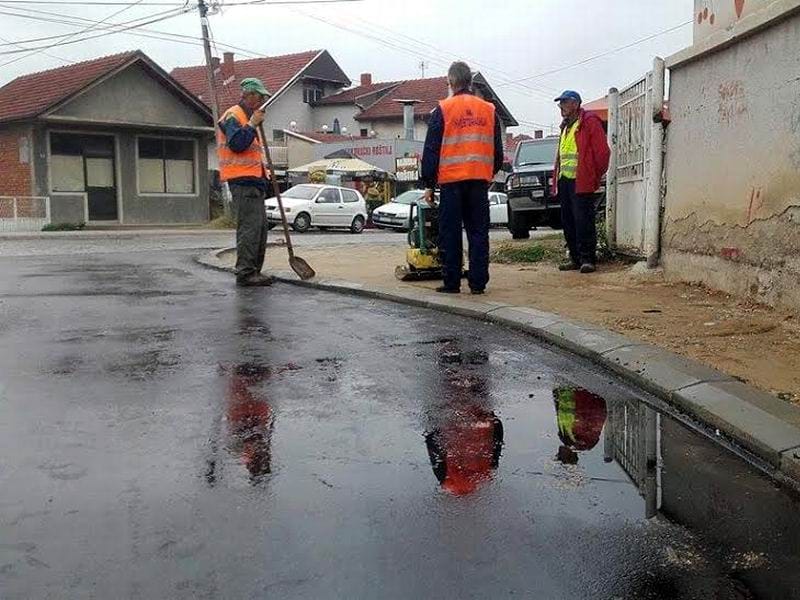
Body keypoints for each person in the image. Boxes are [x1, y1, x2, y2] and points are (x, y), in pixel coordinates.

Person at [421, 61, 504, 295]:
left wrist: (428, 183)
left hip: (452, 183)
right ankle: (478, 283)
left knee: (451, 232)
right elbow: (497, 151)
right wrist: (489, 172)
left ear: (450, 81)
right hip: (479, 182)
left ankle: (452, 282)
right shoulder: (488, 110)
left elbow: (431, 150)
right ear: (470, 81)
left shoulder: (444, 109)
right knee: (478, 232)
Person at [217, 78, 273, 287]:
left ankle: (255, 270)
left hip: (255, 181)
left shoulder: (248, 118)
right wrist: (252, 124)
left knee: (260, 228)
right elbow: (238, 144)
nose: (261, 102)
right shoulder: (233, 115)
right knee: (250, 228)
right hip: (242, 180)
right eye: (259, 97)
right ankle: (246, 272)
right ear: (248, 95)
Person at [553, 90, 610, 274]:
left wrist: (594, 175)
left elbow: (602, 153)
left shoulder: (589, 122)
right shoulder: (566, 126)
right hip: (565, 180)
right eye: (560, 104)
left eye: (564, 103)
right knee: (568, 220)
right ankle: (575, 258)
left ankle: (587, 259)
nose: (561, 107)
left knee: (583, 220)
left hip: (581, 180)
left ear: (575, 104)